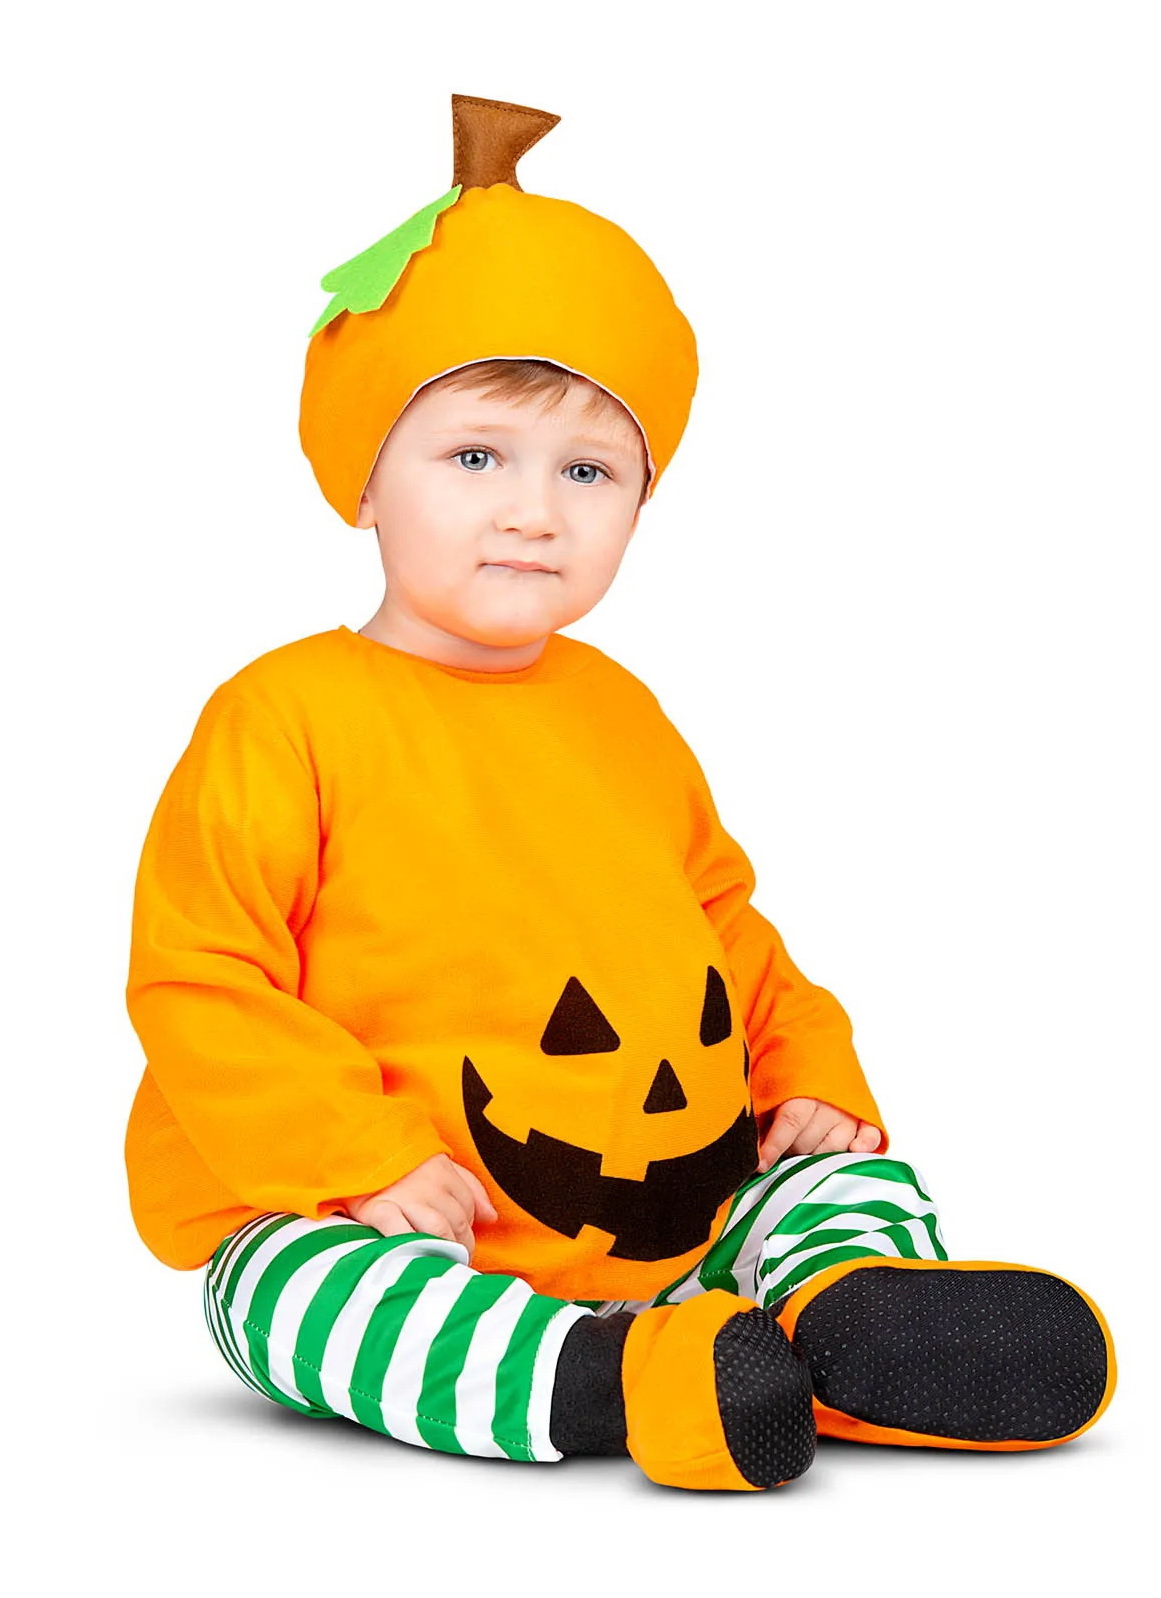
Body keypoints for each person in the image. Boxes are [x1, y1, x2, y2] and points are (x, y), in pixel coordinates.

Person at [123, 93, 1116, 1493]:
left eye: (588, 470)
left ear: (639, 502)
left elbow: (722, 927)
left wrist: (806, 1073)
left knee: (832, 1178)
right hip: (404, 1218)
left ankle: (846, 1322)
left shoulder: (621, 713)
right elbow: (200, 977)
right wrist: (352, 1156)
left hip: (675, 1212)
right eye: (476, 456)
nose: (535, 510)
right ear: (364, 476)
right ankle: (606, 1379)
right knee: (285, 1290)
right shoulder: (284, 716)